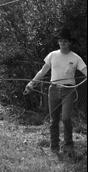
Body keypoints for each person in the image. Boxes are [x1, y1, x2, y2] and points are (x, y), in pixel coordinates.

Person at [25, 27, 87, 155]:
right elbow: (42, 71)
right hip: (53, 89)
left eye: (65, 41)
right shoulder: (52, 55)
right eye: (61, 41)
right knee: (53, 120)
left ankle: (68, 146)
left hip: (68, 90)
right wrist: (32, 83)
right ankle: (54, 147)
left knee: (65, 118)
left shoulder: (76, 58)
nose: (63, 43)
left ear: (70, 42)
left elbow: (85, 71)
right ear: (58, 42)